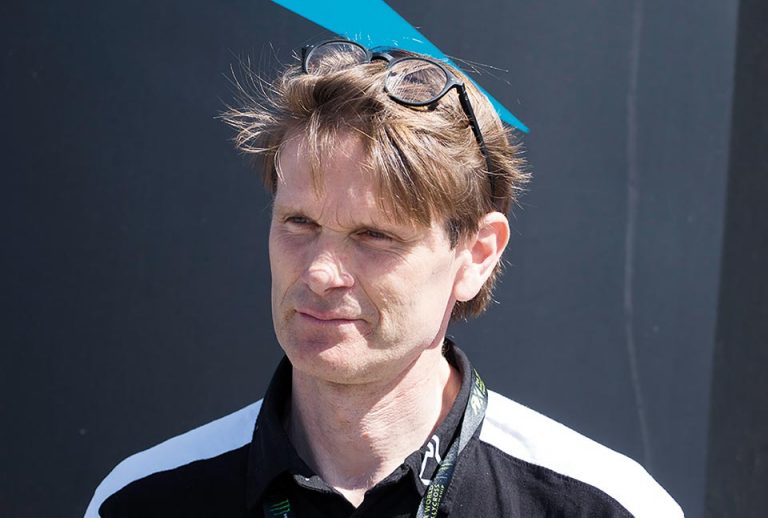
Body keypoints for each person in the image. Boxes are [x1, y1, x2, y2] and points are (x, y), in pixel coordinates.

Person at [85, 39, 683, 517]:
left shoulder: (604, 506)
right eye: (299, 223)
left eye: (374, 236)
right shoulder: (141, 501)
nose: (320, 272)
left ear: (477, 255)